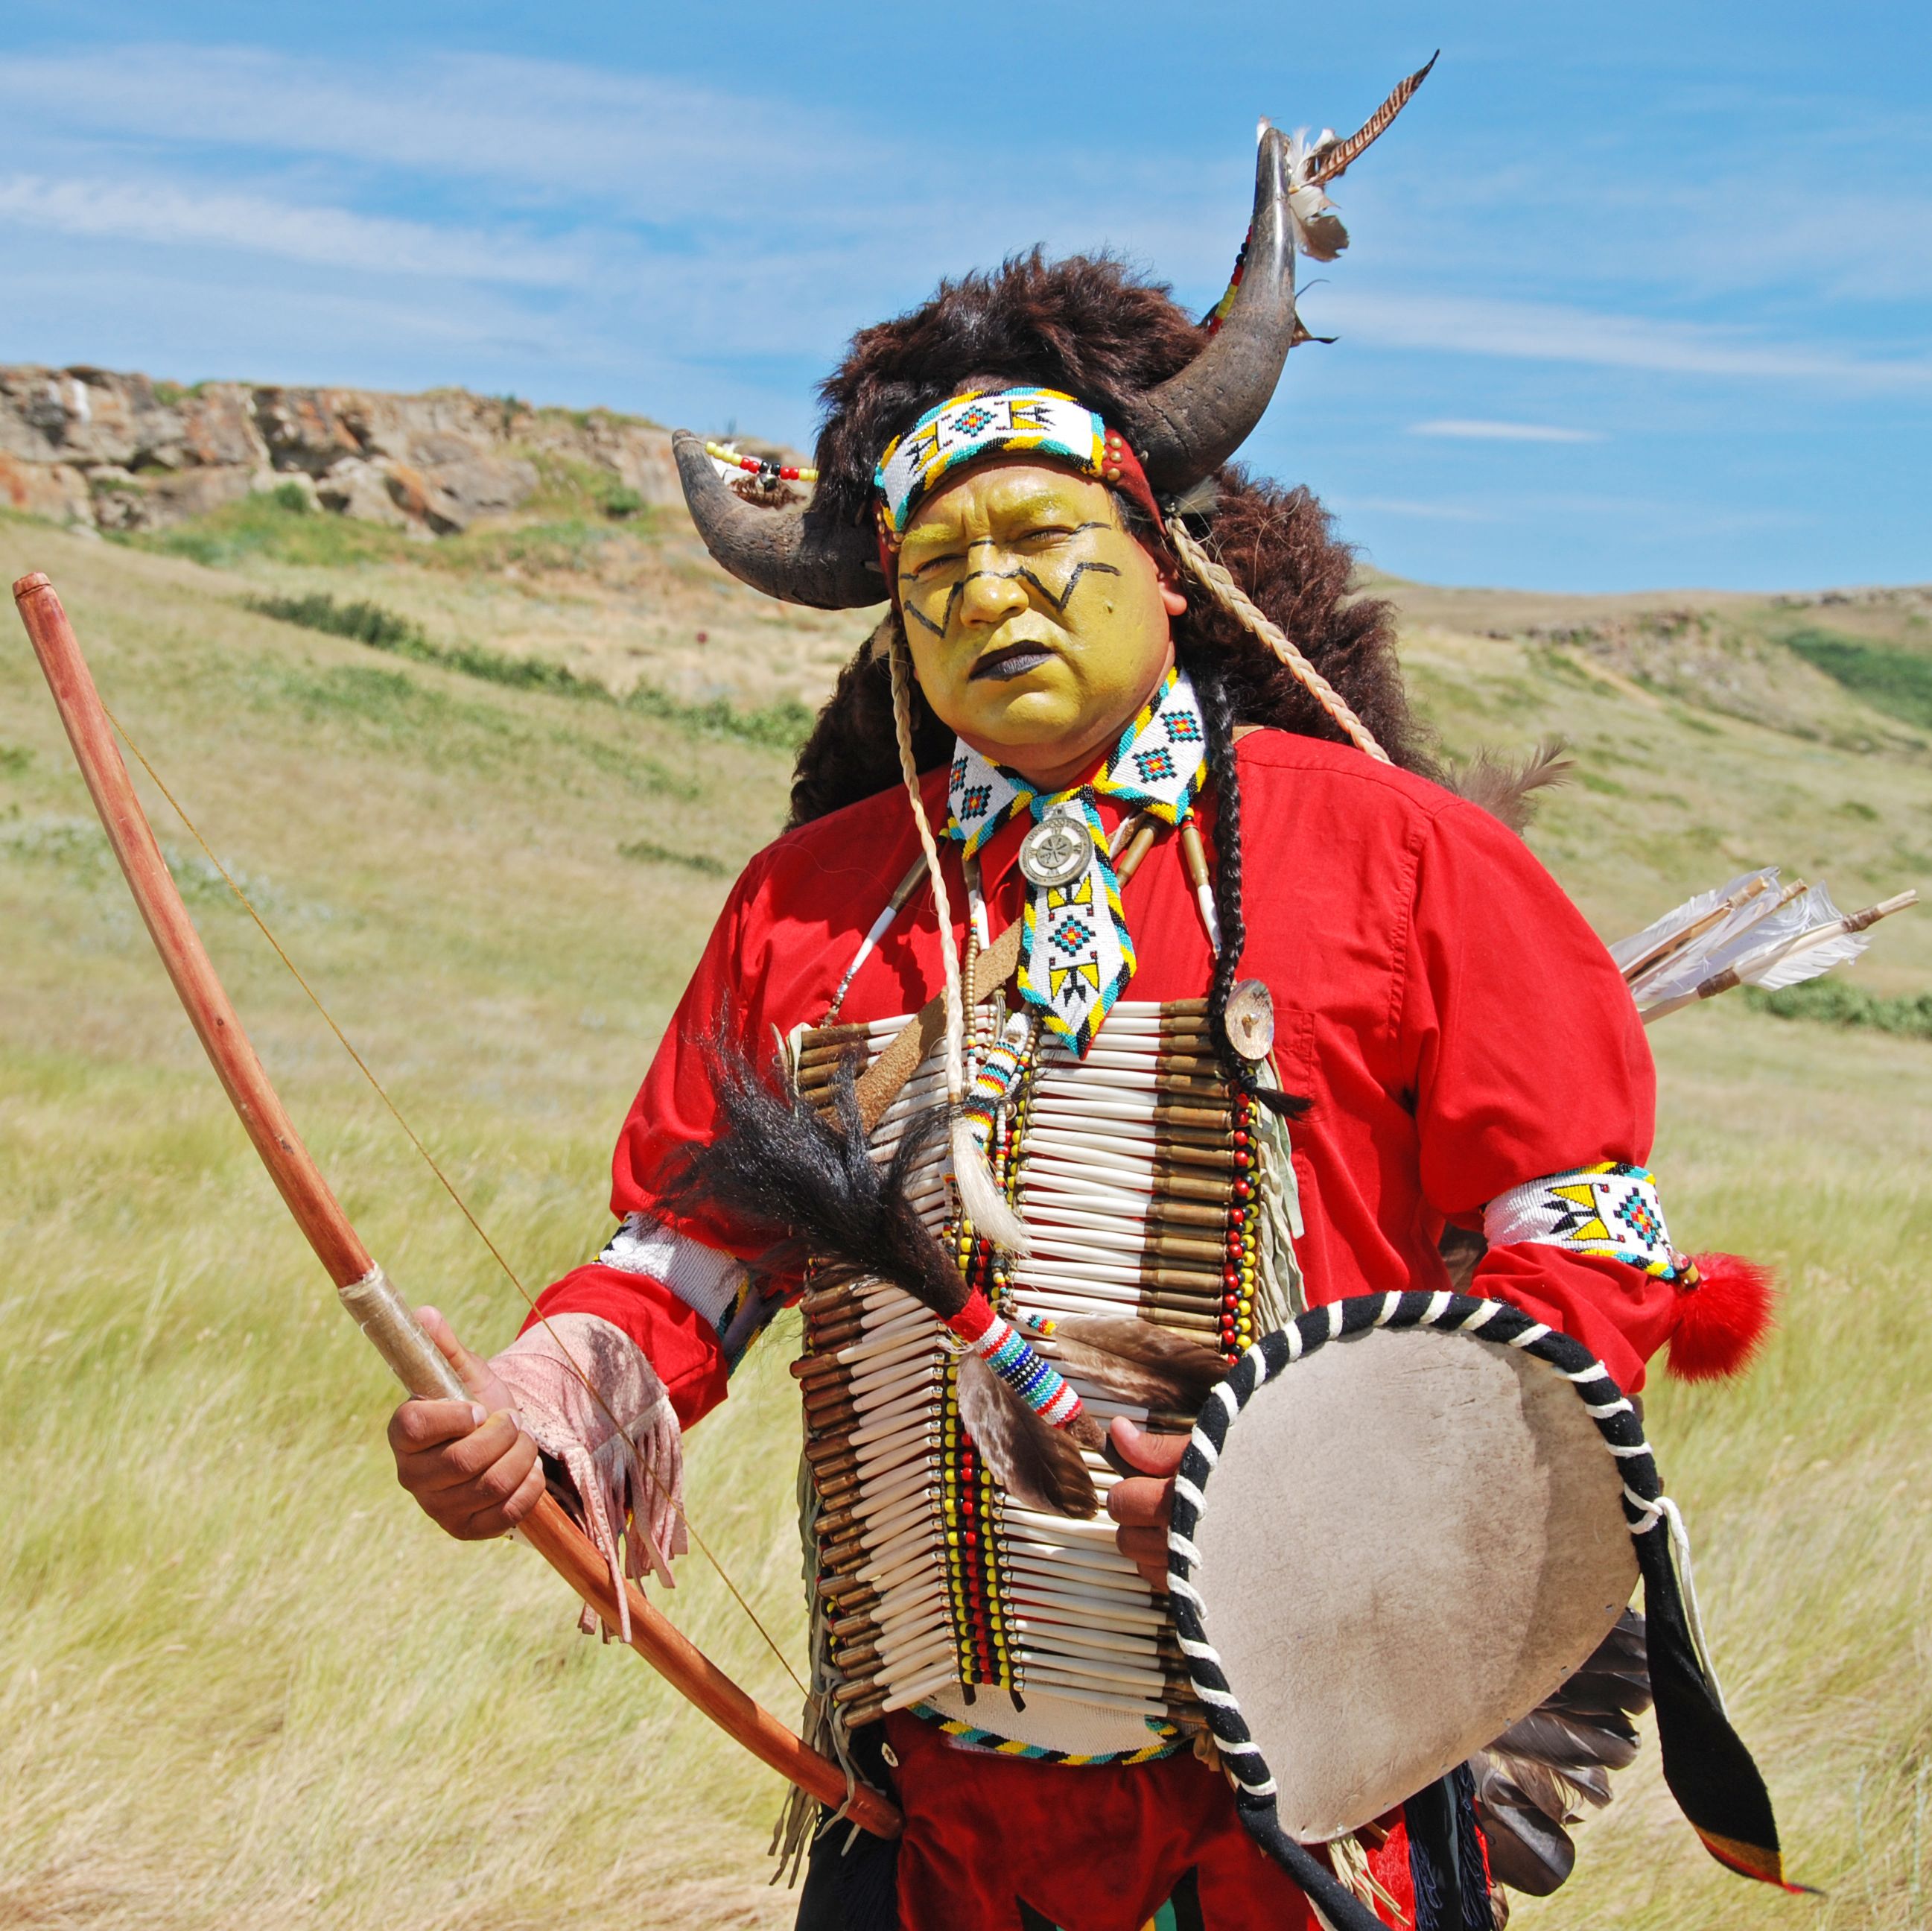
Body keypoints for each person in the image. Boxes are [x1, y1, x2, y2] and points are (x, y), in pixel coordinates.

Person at [386, 125, 1717, 1931]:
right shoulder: (816, 903)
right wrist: (544, 1407)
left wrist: (1320, 1491)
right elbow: (689, 1247)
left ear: (1165, 569)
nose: (988, 594)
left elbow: (1576, 1251)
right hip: (933, 1817)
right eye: (935, 567)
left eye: (1038, 540)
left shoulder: (1404, 861)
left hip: (1309, 1793)